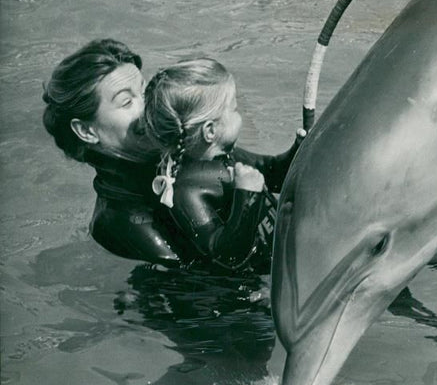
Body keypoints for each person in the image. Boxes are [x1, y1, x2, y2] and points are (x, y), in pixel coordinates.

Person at [42, 39, 302, 268]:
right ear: (86, 131)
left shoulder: (187, 151)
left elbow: (273, 173)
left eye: (145, 91)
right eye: (126, 102)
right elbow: (210, 289)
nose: (148, 107)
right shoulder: (118, 222)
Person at [143, 57, 290, 271]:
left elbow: (273, 172)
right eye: (234, 109)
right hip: (246, 285)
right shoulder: (186, 192)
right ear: (210, 131)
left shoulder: (228, 155)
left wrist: (300, 148)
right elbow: (227, 255)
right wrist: (247, 196)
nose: (240, 115)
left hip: (276, 253)